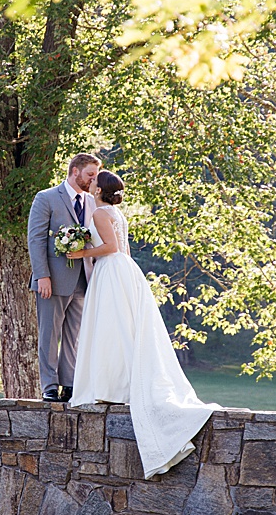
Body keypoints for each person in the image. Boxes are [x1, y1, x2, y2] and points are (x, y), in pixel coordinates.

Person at [65, 170, 220, 478]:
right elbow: (123, 249)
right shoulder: (115, 212)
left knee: (111, 329)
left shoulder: (98, 214)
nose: (91, 182)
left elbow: (109, 248)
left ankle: (113, 385)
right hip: (125, 269)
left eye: (95, 180)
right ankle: (117, 381)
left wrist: (82, 252)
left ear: (99, 189)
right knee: (121, 327)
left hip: (111, 269)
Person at [27, 153, 101, 402]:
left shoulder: (93, 202)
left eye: (96, 175)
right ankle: (49, 385)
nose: (93, 179)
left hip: (84, 278)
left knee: (74, 334)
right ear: (75, 171)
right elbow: (36, 239)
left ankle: (69, 384)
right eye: (90, 174)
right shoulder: (46, 198)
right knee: (49, 334)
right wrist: (42, 276)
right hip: (53, 280)